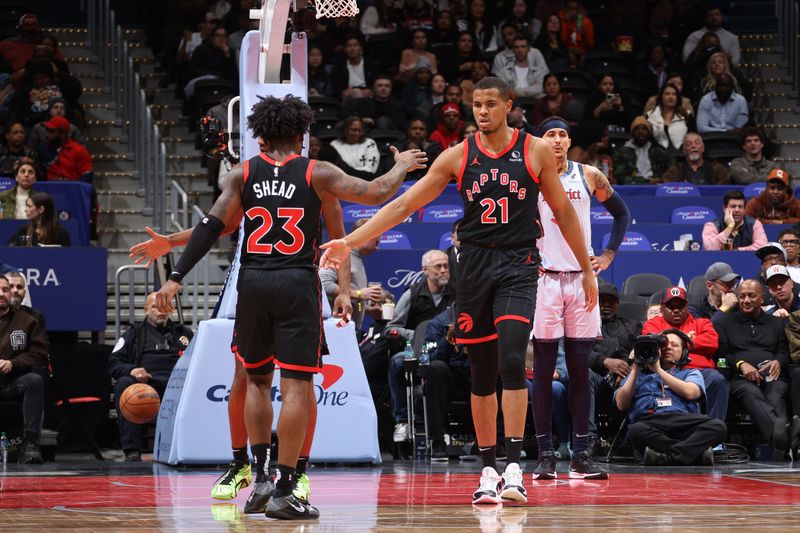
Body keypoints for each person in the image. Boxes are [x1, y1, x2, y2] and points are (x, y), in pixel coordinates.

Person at [319, 77, 597, 505]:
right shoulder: (458, 155)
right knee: (481, 371)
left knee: (510, 361)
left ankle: (513, 467)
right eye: (476, 105)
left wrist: (586, 270)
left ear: (509, 105)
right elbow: (403, 204)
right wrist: (350, 242)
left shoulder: (535, 149)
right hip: (474, 267)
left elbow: (562, 213)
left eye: (490, 104)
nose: (481, 111)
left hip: (520, 265)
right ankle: (487, 469)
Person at [151, 95, 426, 520]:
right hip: (296, 282)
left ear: (260, 133)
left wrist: (174, 276)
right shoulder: (318, 171)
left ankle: (258, 477)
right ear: (301, 133)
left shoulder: (243, 173)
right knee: (297, 387)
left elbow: (213, 225)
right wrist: (402, 165)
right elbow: (376, 193)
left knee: (256, 382)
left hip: (254, 282)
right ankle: (284, 487)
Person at [531, 117, 630, 479]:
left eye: (561, 135)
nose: (556, 140)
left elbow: (622, 213)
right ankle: (544, 455)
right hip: (544, 281)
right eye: (549, 135)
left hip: (582, 280)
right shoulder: (530, 177)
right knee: (542, 372)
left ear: (569, 140)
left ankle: (582, 454)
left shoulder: (588, 174)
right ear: (538, 141)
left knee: (579, 372)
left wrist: (608, 255)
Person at [614, 330, 727, 465]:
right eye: (664, 345)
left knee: (718, 427)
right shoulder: (637, 376)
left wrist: (659, 371)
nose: (668, 347)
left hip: (684, 422)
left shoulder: (690, 373)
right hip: (650, 422)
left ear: (684, 353)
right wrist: (634, 368)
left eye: (674, 345)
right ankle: (694, 455)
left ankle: (664, 458)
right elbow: (621, 404)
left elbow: (691, 393)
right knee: (635, 431)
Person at [108, 292, 194, 462]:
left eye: (165, 306)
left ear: (172, 309)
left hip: (177, 385)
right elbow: (113, 363)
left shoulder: (184, 334)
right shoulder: (134, 334)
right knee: (125, 384)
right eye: (155, 307)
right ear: (146, 310)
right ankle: (132, 451)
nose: (161, 311)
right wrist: (132, 370)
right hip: (147, 385)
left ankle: (194, 448)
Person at [714, 279, 794, 460]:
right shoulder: (726, 323)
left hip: (772, 376)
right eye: (742, 296)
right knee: (751, 393)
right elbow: (722, 356)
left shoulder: (776, 323)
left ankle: (780, 438)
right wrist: (740, 364)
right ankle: (783, 436)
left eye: (751, 296)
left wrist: (777, 363)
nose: (746, 300)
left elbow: (783, 352)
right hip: (740, 380)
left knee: (777, 392)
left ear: (762, 298)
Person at [386, 250, 454, 442]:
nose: (443, 271)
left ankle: (447, 426)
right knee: (398, 362)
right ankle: (402, 422)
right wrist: (417, 335)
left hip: (447, 350)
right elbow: (392, 328)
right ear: (425, 270)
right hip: (418, 348)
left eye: (446, 266)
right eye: (438, 267)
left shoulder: (457, 294)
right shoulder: (412, 294)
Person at [641, 287, 728, 421]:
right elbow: (652, 343)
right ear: (662, 308)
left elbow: (711, 343)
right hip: (668, 372)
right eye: (671, 306)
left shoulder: (702, 323)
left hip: (701, 373)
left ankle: (715, 432)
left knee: (717, 380)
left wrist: (679, 343)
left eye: (680, 306)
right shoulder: (653, 323)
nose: (676, 310)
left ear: (687, 307)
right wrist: (693, 343)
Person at [0, 275, 48, 464]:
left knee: (34, 381)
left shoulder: (26, 322)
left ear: (11, 293)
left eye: (5, 290)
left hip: (12, 382)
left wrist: (14, 362)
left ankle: (30, 445)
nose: (1, 294)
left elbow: (40, 355)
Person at [319, 218, 383, 332]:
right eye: (376, 242)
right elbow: (323, 284)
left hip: (349, 328)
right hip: (337, 328)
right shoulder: (339, 255)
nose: (377, 248)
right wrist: (358, 293)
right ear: (366, 236)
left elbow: (354, 301)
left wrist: (369, 310)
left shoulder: (356, 258)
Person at [613, 116, 674, 184]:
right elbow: (621, 177)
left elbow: (673, 168)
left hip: (656, 188)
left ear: (649, 133)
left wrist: (663, 179)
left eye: (644, 129)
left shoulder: (658, 152)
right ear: (632, 133)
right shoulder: (621, 153)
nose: (640, 131)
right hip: (632, 189)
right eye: (636, 129)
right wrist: (647, 182)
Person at [702, 190, 767, 251]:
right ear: (725, 208)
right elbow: (710, 248)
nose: (737, 210)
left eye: (740, 207)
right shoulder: (712, 225)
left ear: (744, 209)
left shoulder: (754, 224)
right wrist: (730, 227)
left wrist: (737, 250)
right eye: (733, 206)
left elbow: (762, 246)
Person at [661, 132, 730, 184]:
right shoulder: (676, 169)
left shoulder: (716, 168)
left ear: (703, 148)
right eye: (688, 144)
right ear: (684, 151)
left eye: (697, 143)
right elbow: (668, 186)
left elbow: (724, 186)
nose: (693, 146)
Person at [42, 115, 93, 183]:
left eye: (51, 132)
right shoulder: (42, 150)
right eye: (47, 131)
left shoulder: (79, 150)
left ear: (63, 134)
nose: (47, 135)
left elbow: (87, 175)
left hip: (72, 189)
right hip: (48, 190)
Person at [646, 83, 691, 153]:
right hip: (657, 155)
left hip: (682, 154)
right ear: (661, 97)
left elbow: (692, 137)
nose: (671, 97)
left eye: (674, 94)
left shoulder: (687, 115)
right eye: (667, 94)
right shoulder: (650, 116)